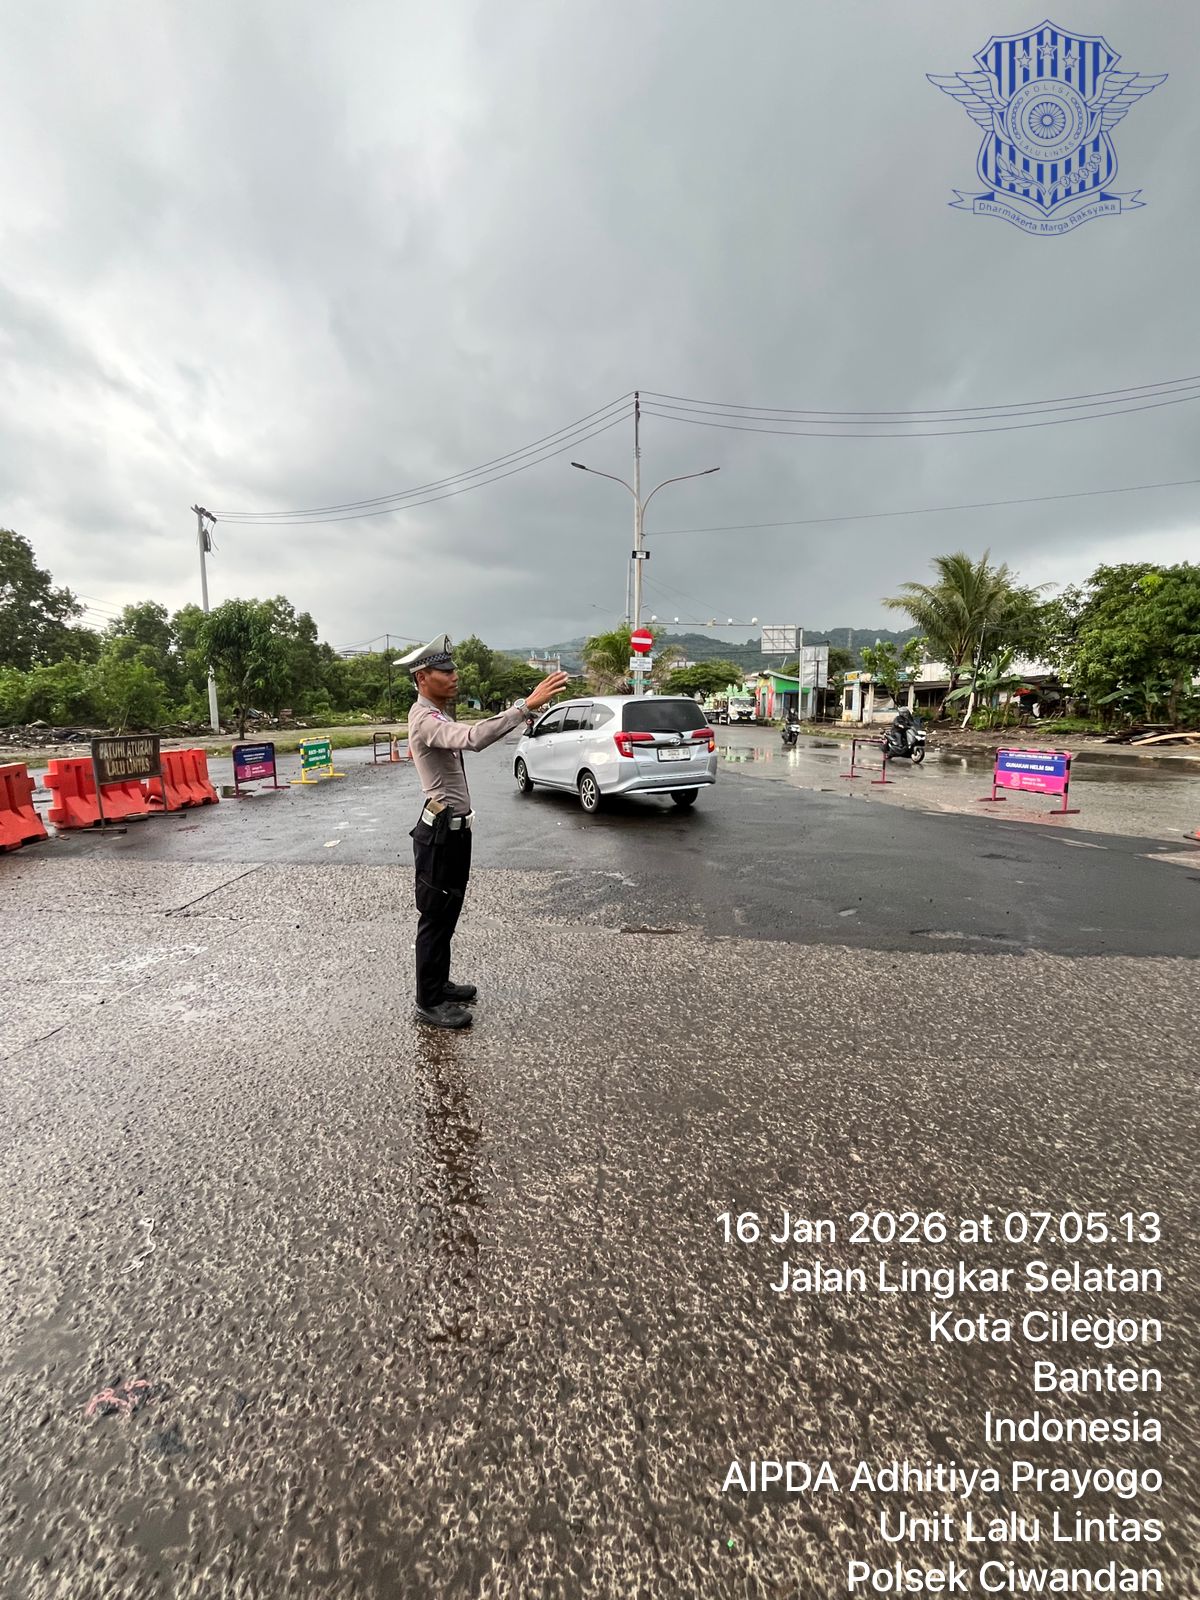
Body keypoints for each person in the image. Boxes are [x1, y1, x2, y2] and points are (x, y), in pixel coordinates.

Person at [398, 633, 569, 1029]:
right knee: (435, 917)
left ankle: (439, 983)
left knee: (448, 911)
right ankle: (428, 1001)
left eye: (453, 670)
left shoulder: (437, 715)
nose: (454, 676)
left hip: (455, 832)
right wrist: (524, 707)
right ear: (423, 677)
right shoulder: (425, 719)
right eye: (445, 671)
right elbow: (473, 739)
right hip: (440, 834)